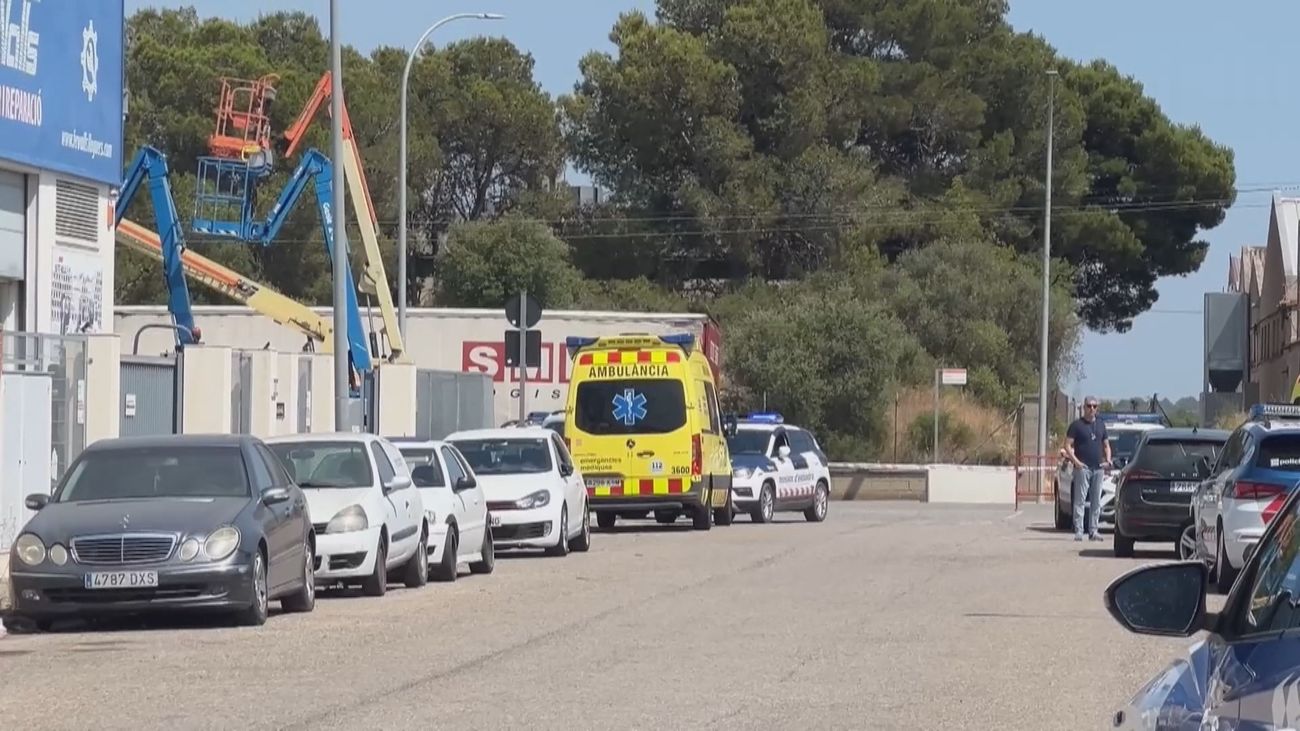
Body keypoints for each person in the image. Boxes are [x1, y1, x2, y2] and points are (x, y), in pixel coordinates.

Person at [1064, 397, 1111, 541]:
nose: (1092, 409)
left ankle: (1093, 530)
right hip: (1082, 468)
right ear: (1084, 407)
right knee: (1080, 500)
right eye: (1089, 406)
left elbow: (1106, 445)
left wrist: (1108, 460)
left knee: (1096, 501)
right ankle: (1079, 530)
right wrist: (1076, 462)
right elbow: (1067, 445)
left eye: (1094, 406)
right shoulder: (1076, 426)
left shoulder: (1101, 425)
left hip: (1098, 468)